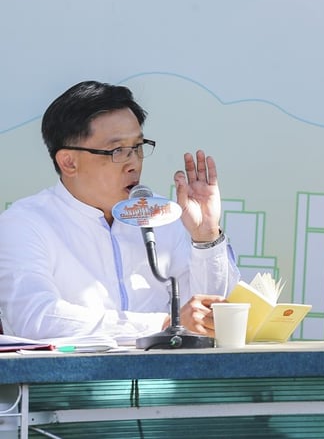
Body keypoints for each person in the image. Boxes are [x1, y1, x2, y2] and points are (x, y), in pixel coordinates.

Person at [0, 81, 241, 341]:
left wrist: (205, 237)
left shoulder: (165, 214)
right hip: (75, 380)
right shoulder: (25, 223)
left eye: (137, 147)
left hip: (168, 378)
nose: (133, 163)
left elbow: (210, 314)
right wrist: (165, 324)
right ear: (69, 162)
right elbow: (36, 318)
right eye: (117, 151)